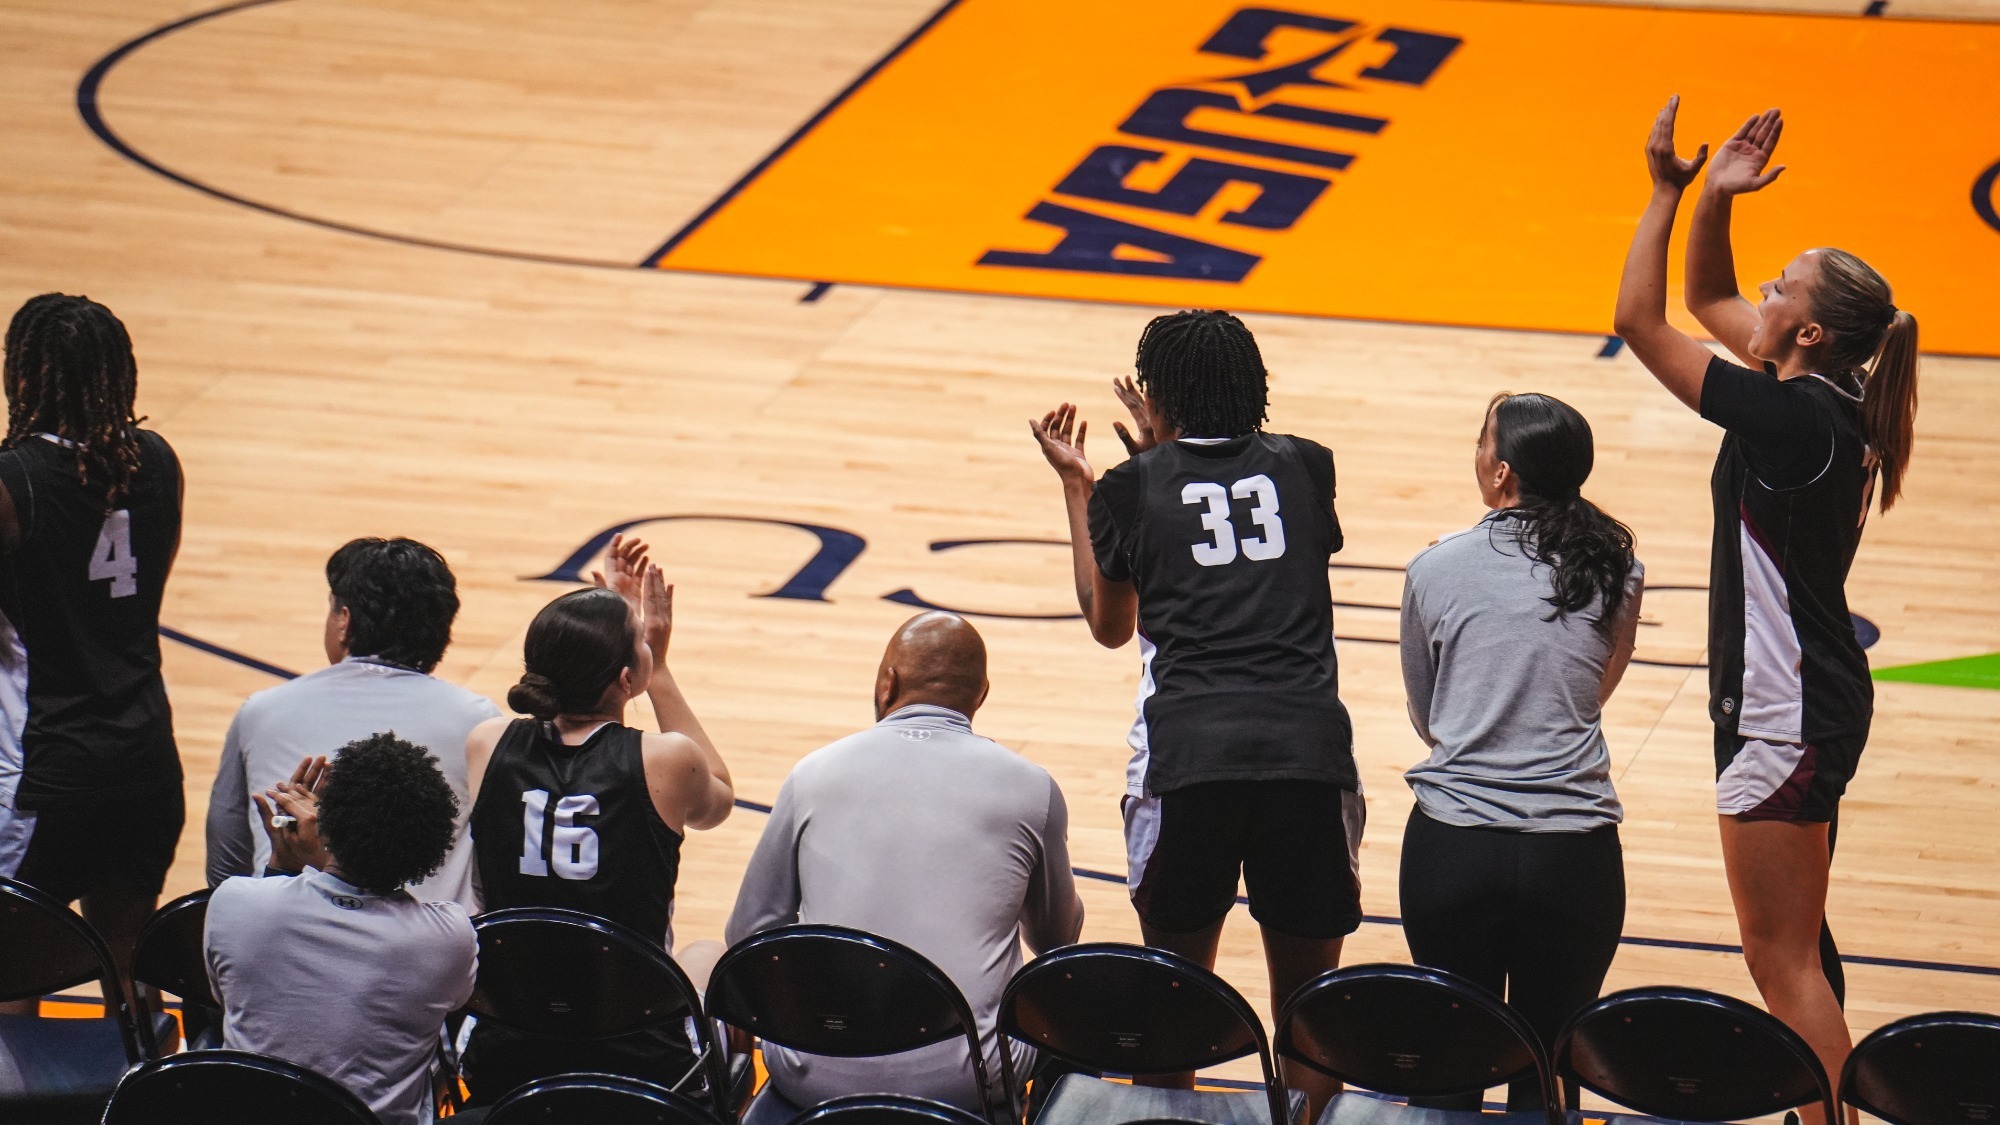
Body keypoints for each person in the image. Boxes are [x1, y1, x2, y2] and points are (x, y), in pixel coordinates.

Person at [1613, 98, 1919, 1122]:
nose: (1761, 292)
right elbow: (1705, 291)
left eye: (1778, 286)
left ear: (1807, 330)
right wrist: (1711, 197)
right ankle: (1814, 1109)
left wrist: (1660, 191)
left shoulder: (1786, 418)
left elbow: (1640, 322)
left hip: (1783, 709)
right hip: (1809, 697)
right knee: (1803, 947)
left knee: (1778, 960)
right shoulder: (1820, 396)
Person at [1030, 309, 1360, 1119]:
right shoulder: (1308, 466)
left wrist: (1083, 484)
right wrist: (1164, 456)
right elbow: (1238, 535)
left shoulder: (1129, 489)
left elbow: (1111, 625)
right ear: (1252, 388)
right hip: (1308, 755)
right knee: (1308, 1007)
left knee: (1174, 1004)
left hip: (1188, 762)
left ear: (1159, 397)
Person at [726, 611, 1084, 1112]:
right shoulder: (1032, 787)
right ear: (980, 696)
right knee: (1080, 987)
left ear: (886, 682)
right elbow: (1056, 943)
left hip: (811, 1075)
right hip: (967, 1084)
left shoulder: (812, 773)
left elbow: (748, 936)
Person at [1398, 392, 1643, 1110]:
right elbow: (1596, 691)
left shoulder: (1433, 567)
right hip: (1575, 856)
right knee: (1545, 1076)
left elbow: (1430, 712)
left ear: (1501, 472)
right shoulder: (1616, 565)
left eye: (1481, 442)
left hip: (1453, 849)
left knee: (1447, 1077)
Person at [460, 535, 735, 1104]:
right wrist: (660, 668)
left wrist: (622, 641)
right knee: (711, 955)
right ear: (628, 678)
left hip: (512, 1037)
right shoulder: (666, 758)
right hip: (635, 1045)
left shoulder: (487, 743)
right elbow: (721, 800)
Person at [0, 294, 183, 1010]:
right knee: (131, 972)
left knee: (12, 978)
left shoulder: (14, 482)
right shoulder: (161, 462)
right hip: (144, 756)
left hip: (44, 766)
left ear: (24, 374)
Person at [205, 537, 499, 905]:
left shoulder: (262, 709)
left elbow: (226, 865)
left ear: (344, 621)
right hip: (434, 950)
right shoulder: (480, 721)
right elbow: (497, 858)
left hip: (288, 941)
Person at [204, 735, 476, 1125]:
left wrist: (284, 864)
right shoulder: (448, 935)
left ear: (328, 823)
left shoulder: (234, 901)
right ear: (433, 843)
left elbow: (233, 1000)